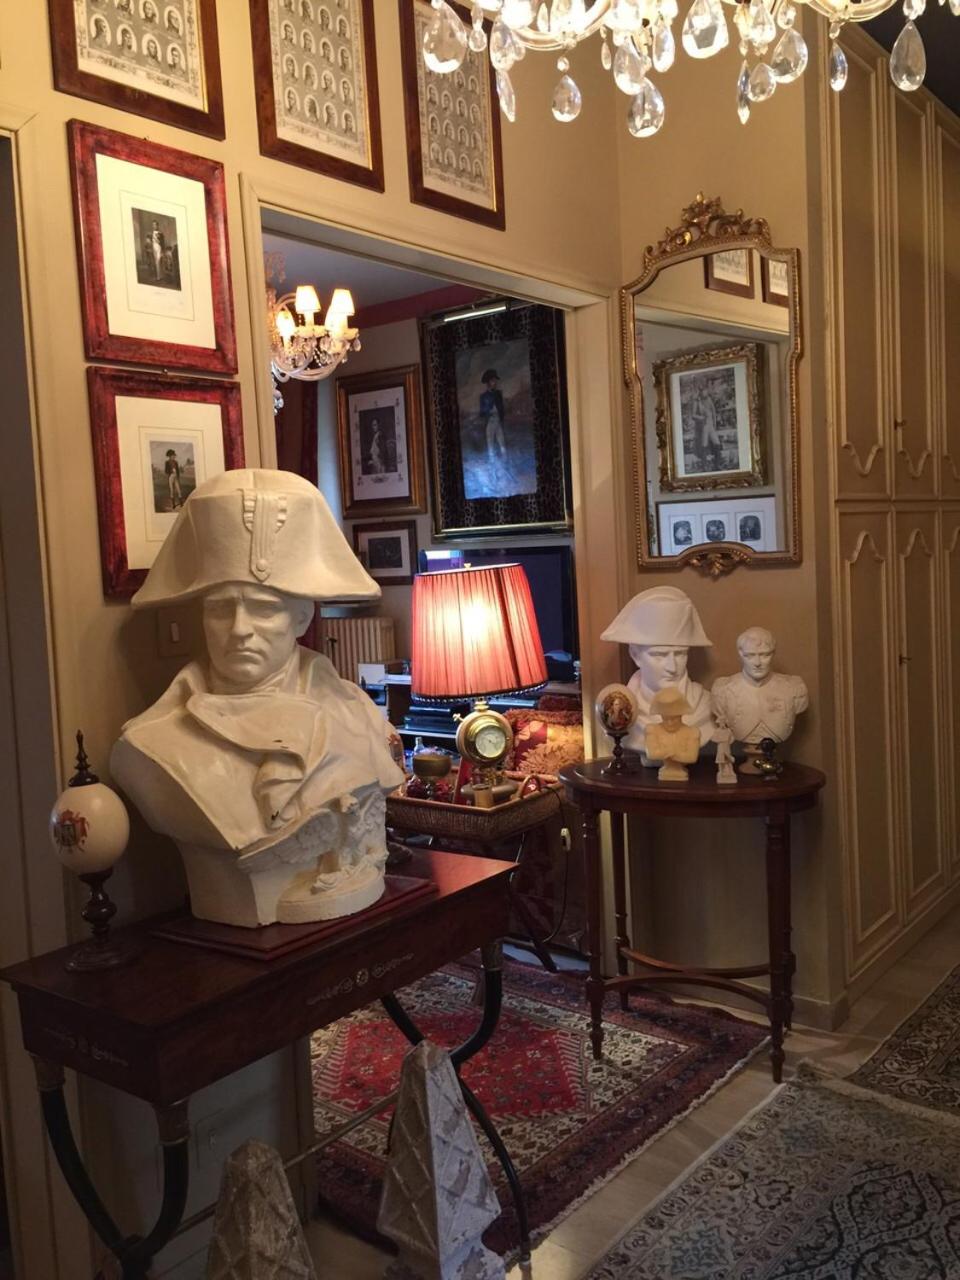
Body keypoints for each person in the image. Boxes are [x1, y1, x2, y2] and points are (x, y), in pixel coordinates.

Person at [111, 469, 404, 928]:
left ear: (301, 618)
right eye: (219, 608)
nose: (239, 630)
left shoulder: (355, 711)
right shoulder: (153, 746)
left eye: (264, 609)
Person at [601, 585, 715, 760]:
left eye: (680, 654)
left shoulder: (707, 707)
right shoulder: (620, 712)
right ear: (635, 656)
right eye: (659, 655)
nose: (672, 667)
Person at [711, 626, 809, 773]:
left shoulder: (793, 687)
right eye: (750, 656)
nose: (757, 663)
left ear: (773, 654)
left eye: (764, 655)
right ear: (740, 655)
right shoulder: (723, 689)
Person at [644, 688, 701, 782]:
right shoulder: (652, 730)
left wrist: (666, 752)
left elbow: (691, 757)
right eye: (665, 718)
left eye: (674, 719)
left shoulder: (692, 732)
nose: (670, 723)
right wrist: (675, 753)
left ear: (681, 715)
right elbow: (652, 754)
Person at [691, 382, 722, 471]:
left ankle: (717, 465)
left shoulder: (709, 399)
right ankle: (704, 467)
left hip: (711, 426)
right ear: (699, 392)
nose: (703, 392)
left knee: (717, 444)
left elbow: (713, 412)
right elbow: (693, 415)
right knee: (704, 445)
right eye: (701, 391)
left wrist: (715, 424)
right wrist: (701, 418)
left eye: (704, 390)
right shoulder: (697, 401)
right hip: (703, 426)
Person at [478, 368, 506, 459]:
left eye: (495, 380)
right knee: (490, 441)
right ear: (488, 382)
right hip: (490, 421)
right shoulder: (483, 396)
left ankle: (505, 459)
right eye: (493, 380)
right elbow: (481, 413)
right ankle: (492, 460)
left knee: (501, 441)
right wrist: (488, 411)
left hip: (498, 420)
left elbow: (502, 408)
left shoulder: (498, 394)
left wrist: (501, 417)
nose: (495, 382)